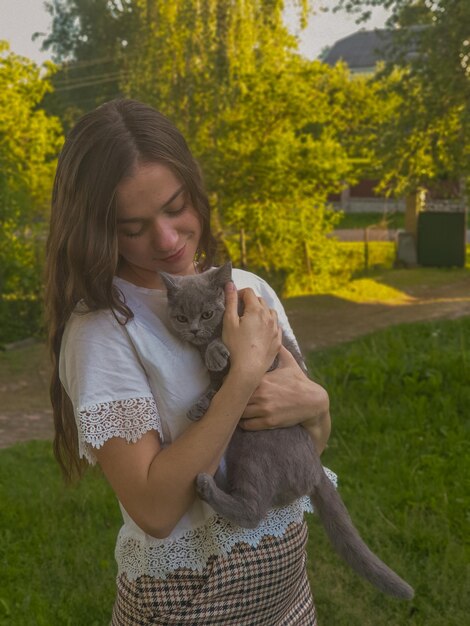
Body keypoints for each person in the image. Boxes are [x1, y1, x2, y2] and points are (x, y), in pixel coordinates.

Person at [45, 98, 332, 625]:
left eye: (176, 207)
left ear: (195, 189)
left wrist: (318, 407)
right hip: (191, 604)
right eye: (133, 227)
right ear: (97, 229)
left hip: (289, 595)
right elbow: (155, 510)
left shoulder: (249, 288)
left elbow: (302, 448)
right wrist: (241, 377)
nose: (168, 238)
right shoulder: (105, 330)